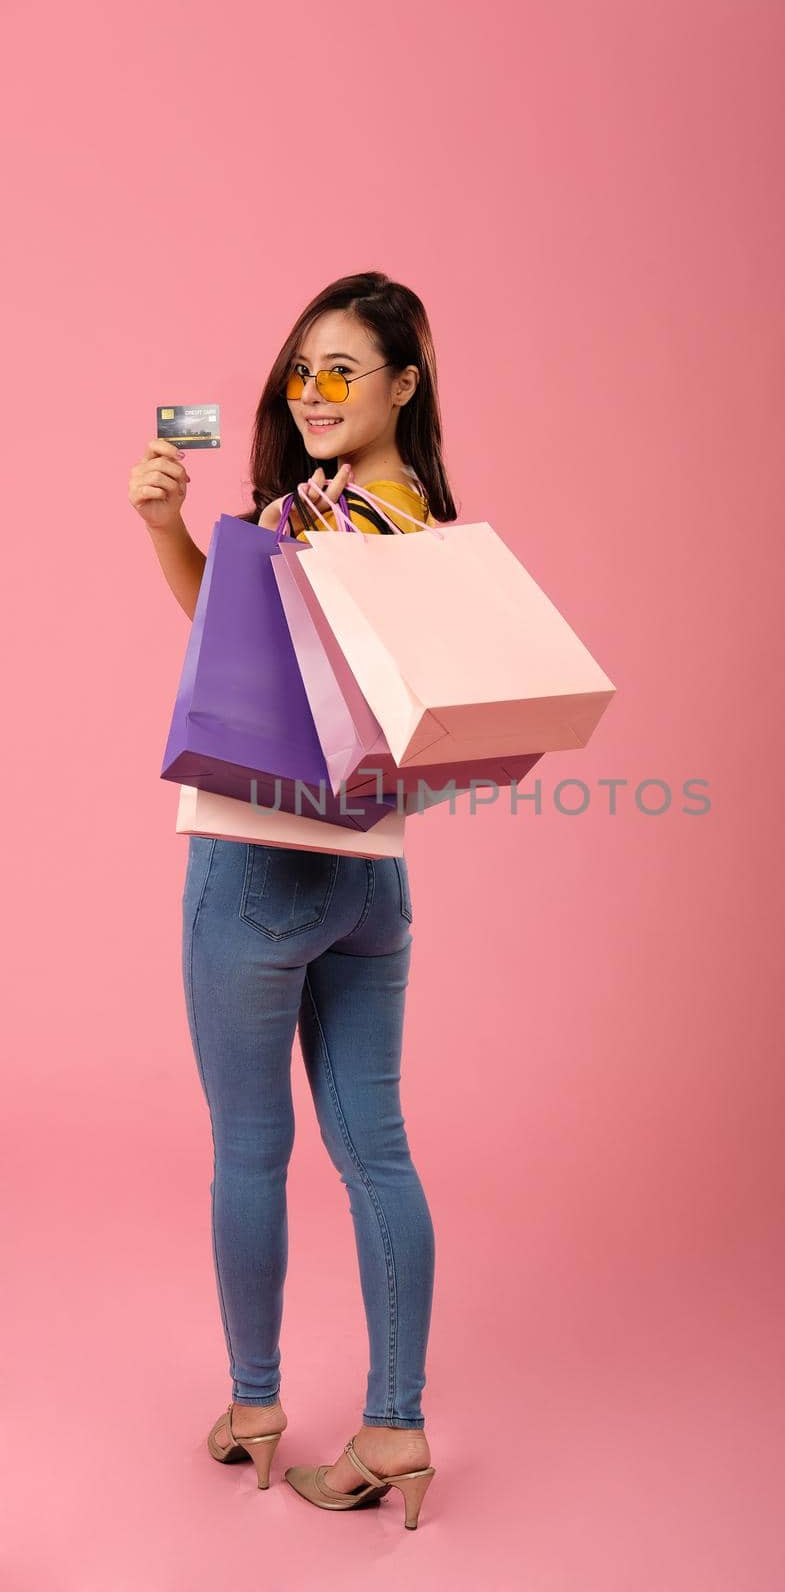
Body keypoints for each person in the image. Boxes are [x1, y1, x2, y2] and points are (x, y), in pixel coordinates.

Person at [126, 271, 456, 1530]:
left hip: (262, 866)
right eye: (299, 372)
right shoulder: (420, 516)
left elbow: (234, 661)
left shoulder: (320, 516)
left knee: (249, 1150)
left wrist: (194, 532)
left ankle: (255, 1406)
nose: (310, 393)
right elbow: (270, 645)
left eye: (343, 371)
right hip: (375, 877)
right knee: (378, 1150)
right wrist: (183, 531)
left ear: (403, 385)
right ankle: (397, 1426)